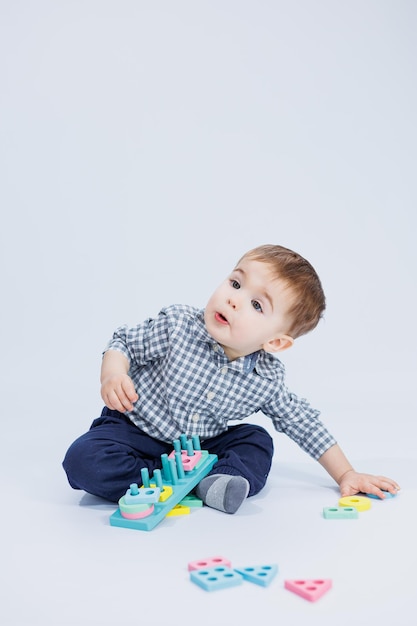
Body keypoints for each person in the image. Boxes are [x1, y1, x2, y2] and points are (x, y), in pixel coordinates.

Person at [63, 244, 400, 514]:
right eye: (235, 283)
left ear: (276, 342)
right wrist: (114, 373)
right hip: (134, 430)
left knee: (256, 440)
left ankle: (217, 480)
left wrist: (346, 473)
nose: (233, 299)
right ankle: (166, 480)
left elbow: (303, 422)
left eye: (256, 305)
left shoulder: (265, 377)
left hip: (202, 446)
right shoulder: (178, 325)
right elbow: (124, 343)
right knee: (84, 459)